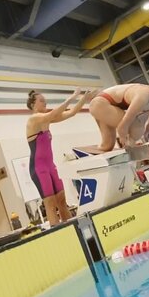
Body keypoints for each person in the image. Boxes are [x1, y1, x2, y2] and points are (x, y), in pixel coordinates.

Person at [25, 88, 96, 226]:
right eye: (41, 100)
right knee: (50, 203)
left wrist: (84, 98)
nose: (45, 102)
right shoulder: (34, 119)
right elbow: (54, 112)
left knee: (62, 201)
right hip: (39, 169)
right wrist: (73, 96)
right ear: (33, 104)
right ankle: (60, 233)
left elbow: (72, 112)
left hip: (51, 166)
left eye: (45, 100)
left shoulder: (47, 120)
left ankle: (73, 229)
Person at [88, 74, 149, 152]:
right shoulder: (143, 95)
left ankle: (93, 156)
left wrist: (147, 135)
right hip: (99, 104)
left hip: (109, 106)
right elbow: (125, 123)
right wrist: (124, 138)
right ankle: (129, 149)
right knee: (137, 128)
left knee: (107, 147)